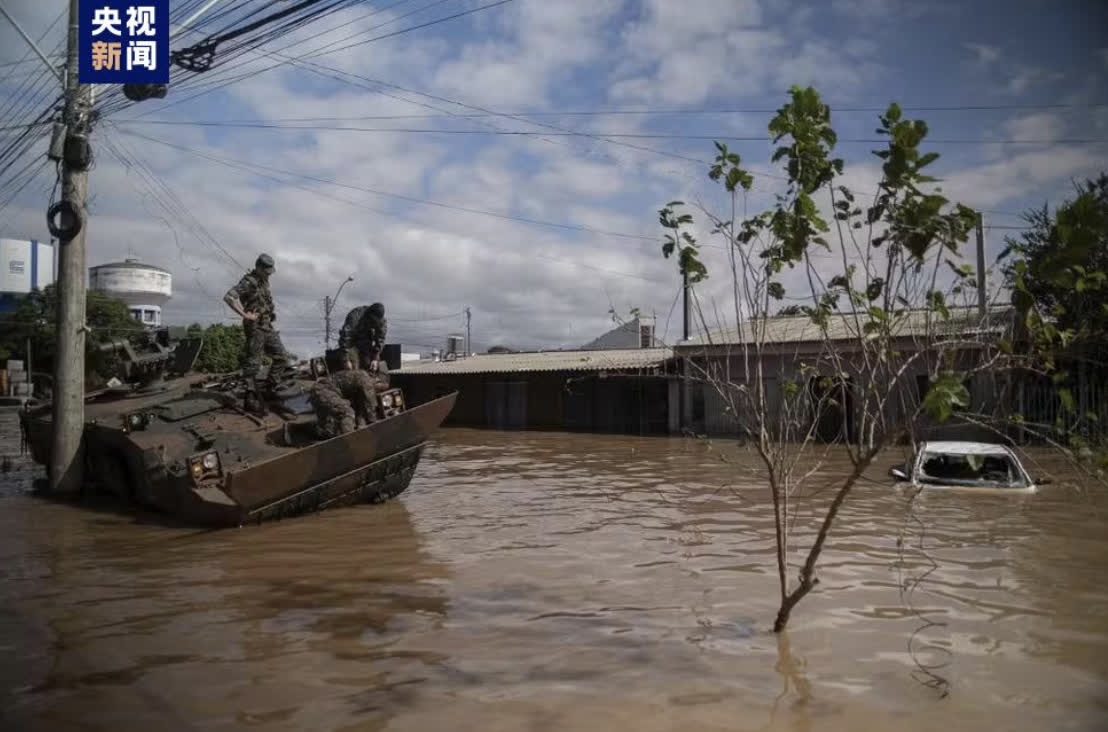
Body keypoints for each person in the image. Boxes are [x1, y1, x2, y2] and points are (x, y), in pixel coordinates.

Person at [224, 253, 290, 414]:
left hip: (267, 326)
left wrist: (270, 312)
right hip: (255, 328)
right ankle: (250, 398)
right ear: (259, 268)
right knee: (253, 364)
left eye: (270, 271)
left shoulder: (264, 281)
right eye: (267, 270)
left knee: (282, 357)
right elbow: (229, 297)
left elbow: (265, 300)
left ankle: (270, 389)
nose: (269, 274)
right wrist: (245, 314)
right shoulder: (248, 282)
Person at [308, 349, 379, 439]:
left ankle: (298, 428)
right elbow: (370, 408)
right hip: (323, 391)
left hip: (320, 392)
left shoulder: (358, 379)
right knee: (347, 412)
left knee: (329, 431)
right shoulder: (365, 379)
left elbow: (360, 408)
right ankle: (349, 443)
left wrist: (361, 425)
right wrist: (375, 428)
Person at [338, 302, 387, 371]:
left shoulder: (381, 321)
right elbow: (346, 337)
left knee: (368, 364)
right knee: (352, 367)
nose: (373, 322)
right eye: (372, 320)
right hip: (351, 342)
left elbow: (380, 338)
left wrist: (375, 358)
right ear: (369, 314)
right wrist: (346, 359)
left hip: (365, 340)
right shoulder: (355, 316)